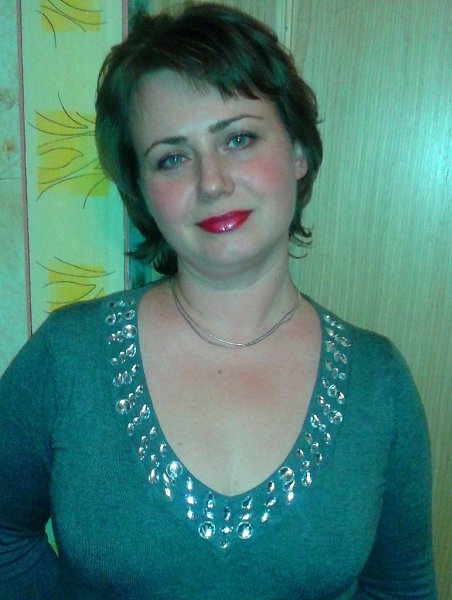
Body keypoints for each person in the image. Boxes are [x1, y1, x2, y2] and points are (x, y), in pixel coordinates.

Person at [0, 3, 436, 598]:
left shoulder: (377, 383)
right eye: (172, 157)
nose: (211, 182)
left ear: (298, 151)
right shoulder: (67, 357)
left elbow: (399, 586)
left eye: (238, 138)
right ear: (141, 191)